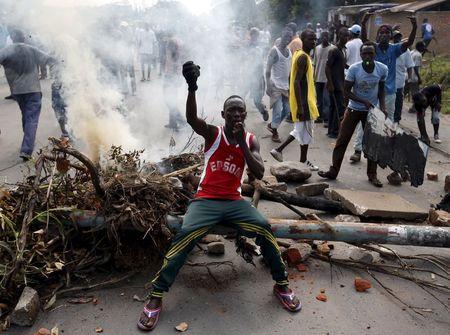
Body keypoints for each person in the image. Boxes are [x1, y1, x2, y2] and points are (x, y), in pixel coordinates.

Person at [136, 61, 301, 331]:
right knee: (185, 235)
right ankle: (156, 295)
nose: (237, 115)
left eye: (241, 111)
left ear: (245, 115)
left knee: (264, 228)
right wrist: (192, 87)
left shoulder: (250, 140)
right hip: (206, 200)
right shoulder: (213, 133)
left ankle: (281, 285)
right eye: (232, 111)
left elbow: (259, 171)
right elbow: (191, 119)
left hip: (234, 202)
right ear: (223, 114)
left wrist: (242, 148)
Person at [357, 14, 417, 185]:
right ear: (377, 36)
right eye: (381, 32)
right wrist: (363, 22)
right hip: (372, 94)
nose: (383, 35)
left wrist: (414, 27)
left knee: (386, 129)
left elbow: (408, 43)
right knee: (368, 125)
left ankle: (397, 166)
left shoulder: (394, 49)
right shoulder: (373, 48)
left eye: (386, 33)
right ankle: (360, 150)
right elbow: (363, 40)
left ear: (390, 37)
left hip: (389, 95)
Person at [318, 42, 388, 187]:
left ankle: (372, 175)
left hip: (371, 111)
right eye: (365, 53)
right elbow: (346, 91)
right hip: (354, 109)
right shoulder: (354, 69)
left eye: (370, 53)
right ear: (361, 55)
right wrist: (363, 101)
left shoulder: (382, 69)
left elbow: (381, 89)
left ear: (375, 54)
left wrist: (383, 107)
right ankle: (333, 171)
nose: (368, 56)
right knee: (342, 140)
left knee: (372, 144)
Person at [0, 29, 54, 161]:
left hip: (17, 91)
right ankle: (26, 149)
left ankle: (27, 142)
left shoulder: (7, 51)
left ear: (12, 38)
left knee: (27, 116)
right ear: (24, 37)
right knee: (31, 119)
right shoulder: (32, 49)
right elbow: (49, 59)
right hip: (33, 90)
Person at [269, 29, 320, 171]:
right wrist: (301, 105)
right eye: (310, 39)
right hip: (304, 103)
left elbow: (292, 77)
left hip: (303, 102)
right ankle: (278, 150)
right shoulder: (303, 57)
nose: (314, 42)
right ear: (303, 40)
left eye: (315, 39)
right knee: (302, 131)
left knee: (303, 132)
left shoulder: (298, 54)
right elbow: (296, 81)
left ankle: (303, 160)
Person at [266, 28, 293, 142]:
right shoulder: (274, 51)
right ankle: (275, 133)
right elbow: (268, 69)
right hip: (275, 85)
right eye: (286, 36)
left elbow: (289, 69)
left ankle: (272, 125)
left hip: (285, 86)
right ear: (282, 35)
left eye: (290, 37)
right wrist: (268, 85)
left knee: (287, 110)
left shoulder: (289, 51)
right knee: (277, 112)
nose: (288, 39)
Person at [326, 27, 349, 138]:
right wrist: (330, 83)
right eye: (344, 35)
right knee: (338, 108)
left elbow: (343, 65)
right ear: (339, 35)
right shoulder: (334, 50)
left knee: (335, 108)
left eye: (348, 36)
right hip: (335, 84)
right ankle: (334, 131)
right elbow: (327, 67)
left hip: (340, 83)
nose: (346, 38)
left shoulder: (342, 50)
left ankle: (332, 130)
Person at [241, 28, 269, 121]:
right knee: (241, 96)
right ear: (250, 35)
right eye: (252, 34)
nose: (253, 37)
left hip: (257, 77)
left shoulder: (261, 46)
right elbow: (243, 58)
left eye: (255, 35)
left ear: (258, 36)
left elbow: (261, 62)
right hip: (248, 75)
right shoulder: (247, 46)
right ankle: (240, 117)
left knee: (257, 101)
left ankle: (264, 111)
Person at [393, 30, 414, 123]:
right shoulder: (389, 48)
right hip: (387, 83)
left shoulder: (406, 51)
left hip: (399, 83)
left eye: (399, 37)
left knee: (398, 102)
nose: (397, 39)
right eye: (395, 37)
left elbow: (410, 66)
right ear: (392, 38)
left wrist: (409, 78)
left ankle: (396, 121)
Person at [314, 30, 331, 124]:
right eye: (323, 36)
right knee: (319, 99)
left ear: (329, 37)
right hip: (318, 78)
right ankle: (319, 117)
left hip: (327, 79)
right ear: (320, 37)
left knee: (326, 99)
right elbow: (315, 63)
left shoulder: (332, 48)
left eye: (326, 36)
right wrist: (313, 77)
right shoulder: (317, 48)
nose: (325, 38)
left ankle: (326, 119)